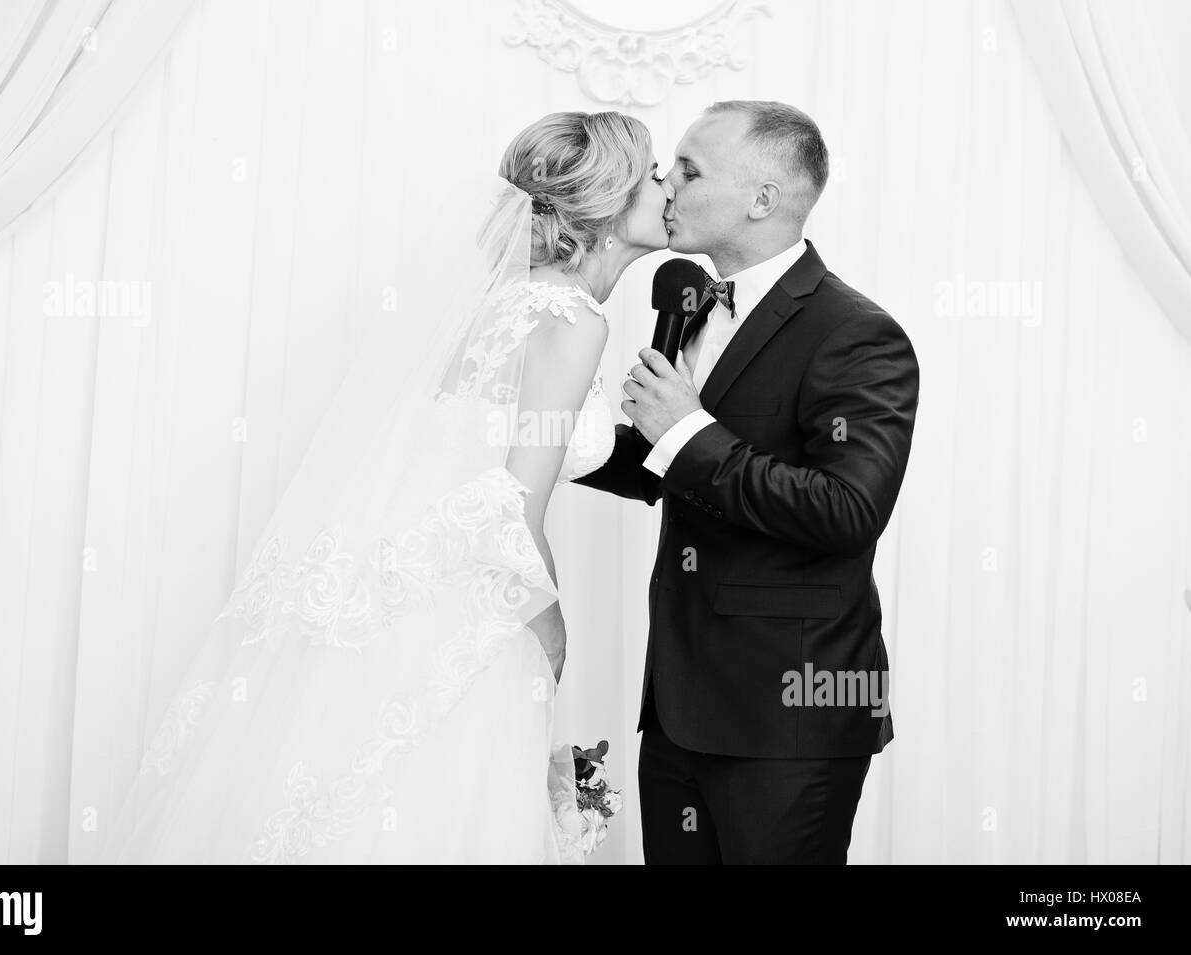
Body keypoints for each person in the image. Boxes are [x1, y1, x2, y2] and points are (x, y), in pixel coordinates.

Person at [93, 111, 668, 864]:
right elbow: (511, 507)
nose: (665, 186)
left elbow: (457, 466)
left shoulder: (497, 304)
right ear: (609, 199)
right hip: (477, 604)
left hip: (409, 595)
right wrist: (552, 626)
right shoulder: (570, 316)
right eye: (654, 172)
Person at [574, 101, 921, 864]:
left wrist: (690, 430)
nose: (666, 181)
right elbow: (673, 467)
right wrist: (562, 439)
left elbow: (847, 510)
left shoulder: (857, 333)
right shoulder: (692, 303)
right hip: (676, 710)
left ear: (762, 200)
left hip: (788, 719)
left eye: (690, 169)